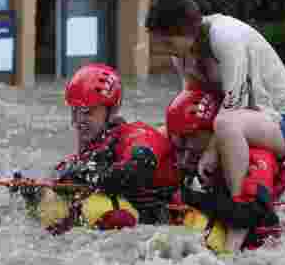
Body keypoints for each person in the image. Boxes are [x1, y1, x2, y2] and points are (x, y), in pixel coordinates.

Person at [145, 0, 285, 251]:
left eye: (166, 40)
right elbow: (192, 103)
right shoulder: (181, 54)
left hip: (282, 120)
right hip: (239, 118)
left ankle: (238, 216)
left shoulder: (226, 37)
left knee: (226, 125)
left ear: (187, 30)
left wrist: (210, 151)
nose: (163, 48)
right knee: (166, 130)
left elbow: (235, 105)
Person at [13, 63, 181, 235]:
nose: (79, 120)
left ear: (112, 110)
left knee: (110, 212)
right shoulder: (85, 154)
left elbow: (139, 167)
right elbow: (61, 182)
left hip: (164, 217)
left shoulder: (137, 134)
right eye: (75, 111)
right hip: (126, 221)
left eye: (87, 112)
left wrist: (88, 175)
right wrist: (35, 194)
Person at [165, 88, 285, 253]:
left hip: (253, 246)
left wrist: (226, 259)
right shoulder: (199, 153)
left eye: (189, 140)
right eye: (180, 145)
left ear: (211, 134)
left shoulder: (253, 158)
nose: (185, 157)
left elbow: (246, 216)